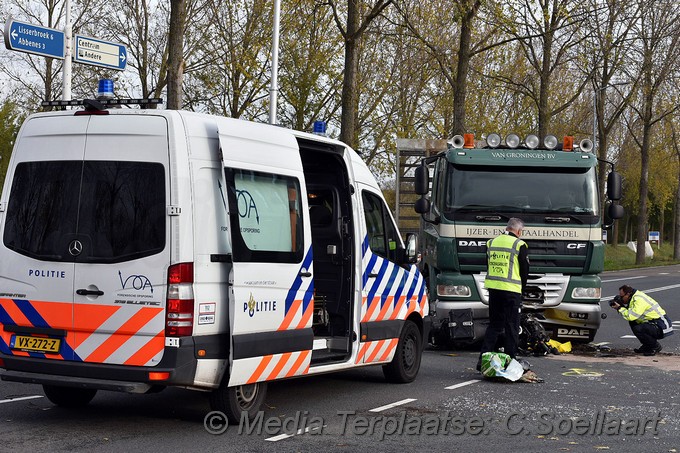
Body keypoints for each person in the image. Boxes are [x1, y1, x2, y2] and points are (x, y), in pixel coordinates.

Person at [476, 218, 530, 371]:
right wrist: (522, 290)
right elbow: (524, 271)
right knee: (512, 326)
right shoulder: (519, 244)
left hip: (493, 289)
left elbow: (488, 265)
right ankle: (510, 361)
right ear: (518, 231)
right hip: (511, 290)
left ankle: (483, 359)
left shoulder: (491, 243)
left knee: (494, 325)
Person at [610, 284, 673, 356]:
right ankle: (647, 345)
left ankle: (654, 346)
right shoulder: (633, 297)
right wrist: (622, 306)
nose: (621, 298)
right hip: (654, 323)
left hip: (662, 325)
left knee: (638, 328)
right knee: (634, 323)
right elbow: (632, 315)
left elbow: (631, 316)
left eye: (622, 297)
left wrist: (619, 308)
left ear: (628, 294)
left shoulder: (638, 299)